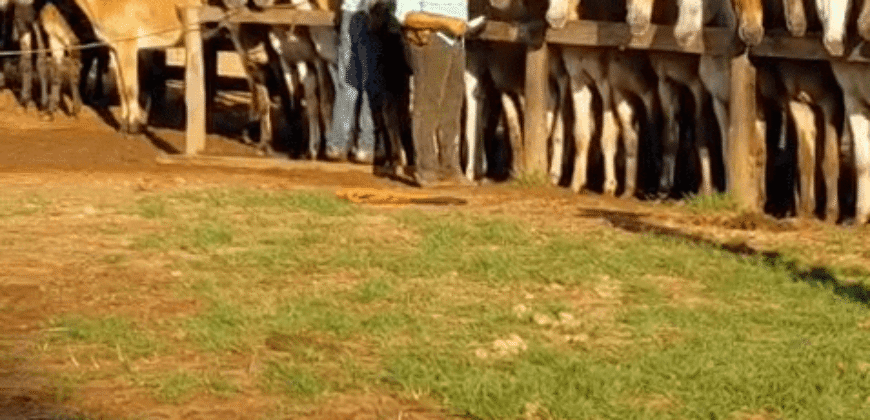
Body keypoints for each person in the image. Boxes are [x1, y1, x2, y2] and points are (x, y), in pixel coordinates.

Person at [393, 0, 468, 187]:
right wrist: (445, 23)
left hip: (456, 40)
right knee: (427, 104)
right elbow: (406, 15)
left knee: (452, 106)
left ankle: (449, 166)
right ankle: (427, 168)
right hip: (432, 39)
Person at [325, 0, 377, 163]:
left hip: (350, 12)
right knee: (369, 83)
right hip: (371, 13)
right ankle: (365, 145)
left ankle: (338, 144)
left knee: (347, 85)